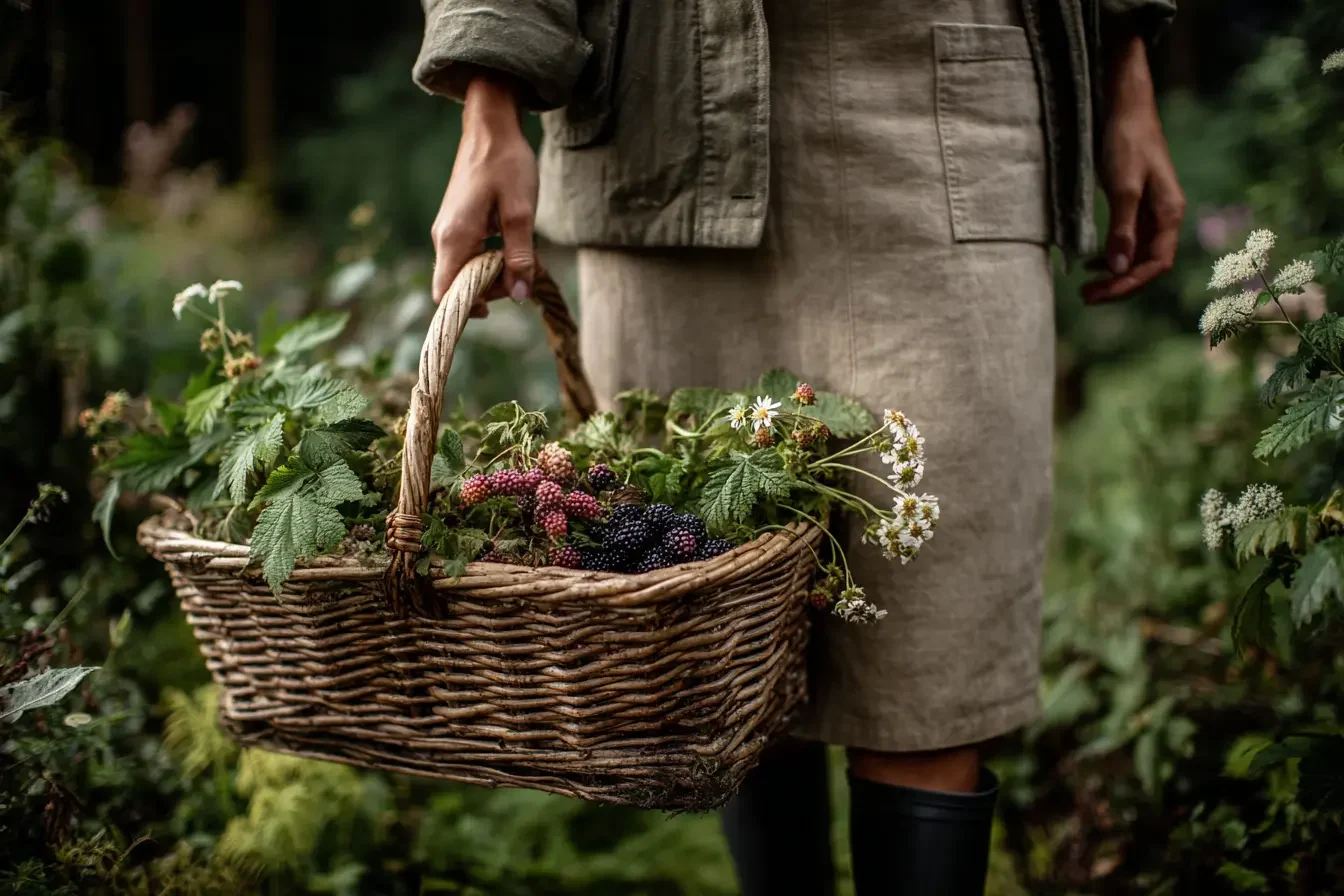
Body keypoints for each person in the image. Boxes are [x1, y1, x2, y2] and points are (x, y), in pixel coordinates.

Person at [413, 0, 1184, 892]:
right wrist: (488, 100)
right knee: (725, 640)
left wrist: (1128, 64)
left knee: (931, 666)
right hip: (666, 118)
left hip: (945, 110)